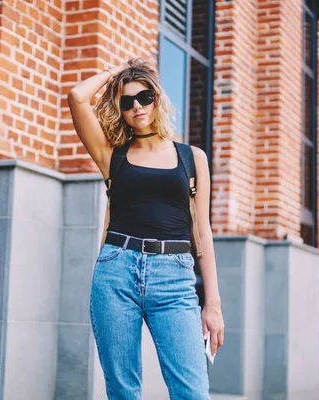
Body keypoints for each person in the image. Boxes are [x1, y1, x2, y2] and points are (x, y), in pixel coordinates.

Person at [67, 58, 224, 399]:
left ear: (157, 98)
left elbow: (203, 233)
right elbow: (77, 97)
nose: (137, 106)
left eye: (144, 97)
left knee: (192, 392)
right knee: (124, 391)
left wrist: (212, 303)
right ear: (120, 109)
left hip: (175, 278)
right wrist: (116, 73)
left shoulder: (191, 158)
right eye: (127, 102)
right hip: (116, 273)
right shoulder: (113, 156)